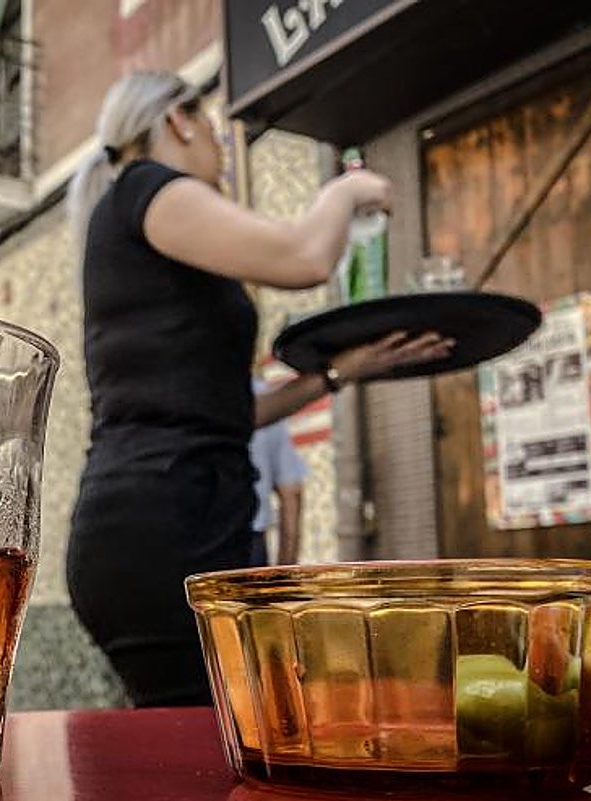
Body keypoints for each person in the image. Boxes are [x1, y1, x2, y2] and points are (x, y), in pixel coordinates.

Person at [64, 71, 454, 708]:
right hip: (166, 527)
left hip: (165, 521)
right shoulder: (150, 188)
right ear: (178, 122)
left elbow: (226, 412)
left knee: (200, 745)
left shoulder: (134, 211)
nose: (221, 145)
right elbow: (303, 256)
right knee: (208, 743)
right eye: (215, 127)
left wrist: (337, 375)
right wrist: (348, 186)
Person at [248, 379, 308, 567]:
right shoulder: (264, 397)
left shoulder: (170, 392)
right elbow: (292, 491)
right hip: (249, 545)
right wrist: (285, 576)